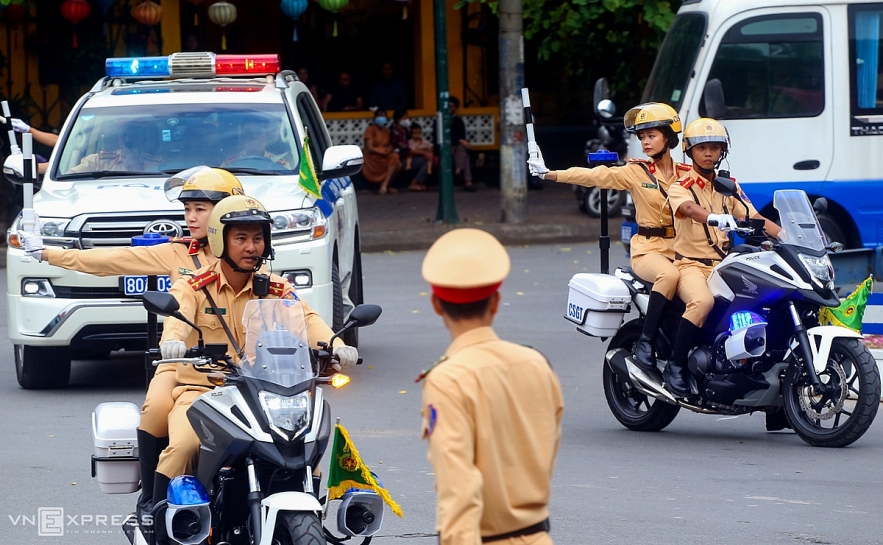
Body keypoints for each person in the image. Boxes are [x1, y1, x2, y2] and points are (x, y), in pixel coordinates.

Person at [19, 166, 245, 517]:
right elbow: (111, 259)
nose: (191, 217)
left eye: (201, 208)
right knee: (156, 409)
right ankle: (152, 498)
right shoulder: (178, 252)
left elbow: (288, 309)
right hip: (184, 360)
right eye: (188, 209)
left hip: (237, 367)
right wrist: (48, 253)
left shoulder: (251, 255)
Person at [151, 195, 359, 508]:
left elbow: (306, 319)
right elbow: (176, 319)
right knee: (182, 446)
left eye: (258, 238)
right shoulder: (194, 286)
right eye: (242, 238)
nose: (252, 247)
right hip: (203, 392)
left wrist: (337, 345)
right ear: (220, 241)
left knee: (303, 450)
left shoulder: (276, 289)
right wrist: (173, 341)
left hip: (261, 394)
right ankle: (160, 521)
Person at [419, 228, 563, 545]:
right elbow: (545, 454)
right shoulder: (536, 364)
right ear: (496, 301)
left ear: (436, 305)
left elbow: (459, 491)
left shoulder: (447, 380)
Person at [528, 102, 689, 373]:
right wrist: (550, 174)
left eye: (651, 135)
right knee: (669, 277)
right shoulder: (637, 172)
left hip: (682, 249)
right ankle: (646, 343)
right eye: (642, 137)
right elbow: (594, 176)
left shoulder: (686, 174)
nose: (645, 142)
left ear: (668, 137)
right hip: (648, 250)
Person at [665, 118, 781, 398]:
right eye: (702, 147)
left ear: (722, 152)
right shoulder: (680, 185)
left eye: (715, 148)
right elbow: (690, 209)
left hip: (723, 265)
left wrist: (786, 234)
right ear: (689, 151)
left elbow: (753, 216)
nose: (708, 153)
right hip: (690, 265)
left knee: (765, 300)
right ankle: (675, 366)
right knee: (702, 302)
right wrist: (715, 218)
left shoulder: (727, 186)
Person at [67, 120, 162, 174]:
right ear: (119, 139)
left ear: (144, 140)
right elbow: (69, 179)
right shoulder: (97, 161)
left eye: (134, 136)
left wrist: (136, 165)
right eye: (124, 135)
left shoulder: (158, 163)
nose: (128, 140)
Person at [221, 116, 293, 169]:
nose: (253, 137)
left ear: (267, 136)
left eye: (258, 133)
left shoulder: (282, 165)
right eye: (249, 133)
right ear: (242, 136)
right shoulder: (228, 165)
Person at [362, 109, 402, 194]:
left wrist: (389, 149)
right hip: (373, 157)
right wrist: (383, 152)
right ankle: (384, 186)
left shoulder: (386, 130)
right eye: (380, 115)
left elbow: (388, 145)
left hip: (385, 155)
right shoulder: (370, 129)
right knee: (394, 158)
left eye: (384, 116)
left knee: (397, 161)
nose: (382, 118)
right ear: (375, 117)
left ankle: (385, 185)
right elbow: (370, 148)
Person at [449, 97, 475, 191]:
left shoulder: (458, 121)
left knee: (462, 149)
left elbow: (462, 136)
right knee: (465, 155)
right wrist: (459, 141)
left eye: (451, 107)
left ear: (455, 108)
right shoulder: (439, 121)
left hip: (457, 149)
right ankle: (468, 181)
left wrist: (459, 143)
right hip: (446, 149)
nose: (449, 109)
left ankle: (458, 169)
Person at [405, 122, 433, 191]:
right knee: (414, 158)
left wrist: (425, 151)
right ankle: (414, 182)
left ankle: (419, 182)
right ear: (411, 134)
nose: (416, 135)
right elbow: (412, 151)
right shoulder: (410, 142)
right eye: (414, 133)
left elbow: (430, 148)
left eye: (418, 133)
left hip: (423, 157)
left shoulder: (424, 141)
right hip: (414, 157)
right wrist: (423, 151)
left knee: (429, 159)